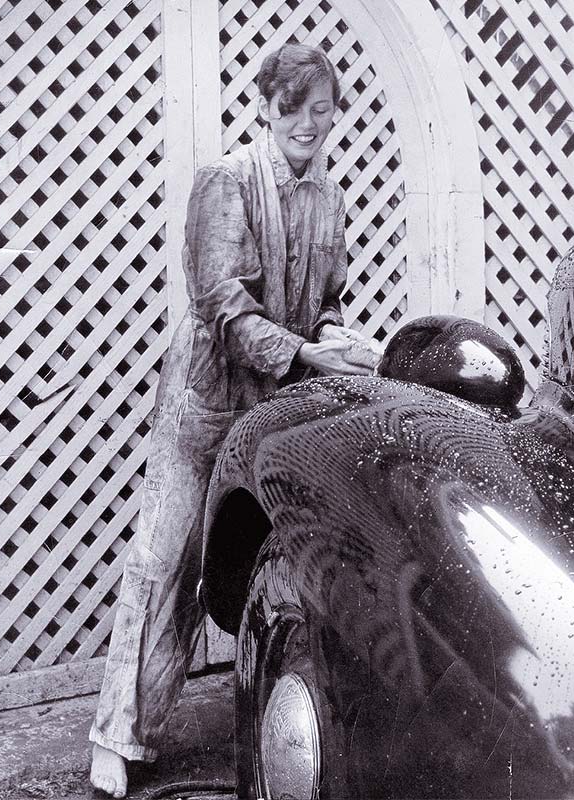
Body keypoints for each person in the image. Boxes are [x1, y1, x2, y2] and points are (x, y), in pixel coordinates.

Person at [89, 41, 378, 798]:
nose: (310, 125)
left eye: (323, 111)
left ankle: (271, 725)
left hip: (275, 408)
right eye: (296, 108)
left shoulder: (328, 197)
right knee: (164, 565)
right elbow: (223, 303)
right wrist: (311, 357)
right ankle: (118, 739)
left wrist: (337, 335)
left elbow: (328, 300)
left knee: (266, 570)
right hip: (206, 406)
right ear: (266, 106)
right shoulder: (225, 180)